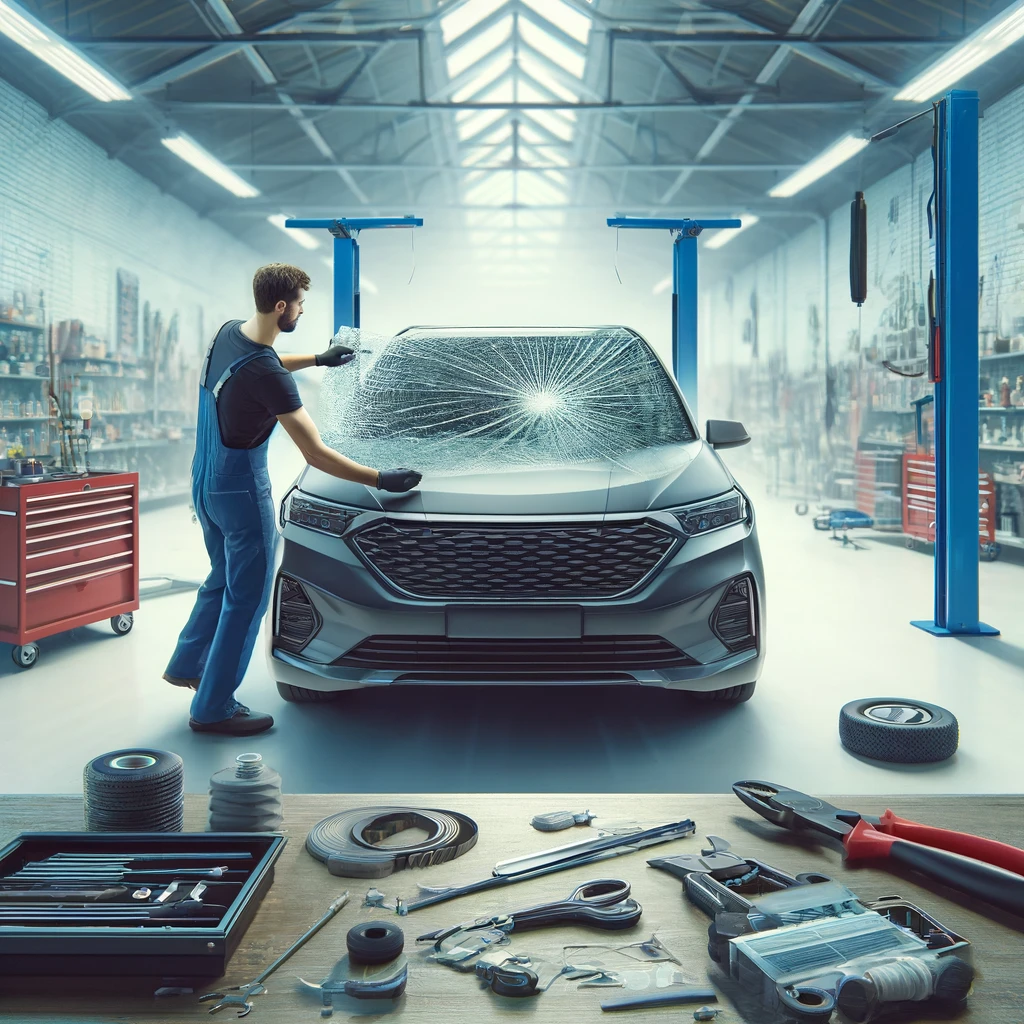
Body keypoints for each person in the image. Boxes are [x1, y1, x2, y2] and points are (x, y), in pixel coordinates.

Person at [163, 264, 421, 736]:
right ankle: (214, 707)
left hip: (204, 482)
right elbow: (316, 453)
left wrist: (319, 360)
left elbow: (257, 368)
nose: (302, 311)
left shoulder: (226, 335)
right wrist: (381, 478)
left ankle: (189, 664)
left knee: (220, 578)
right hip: (241, 491)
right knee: (249, 598)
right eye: (300, 304)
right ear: (282, 306)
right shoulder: (270, 377)